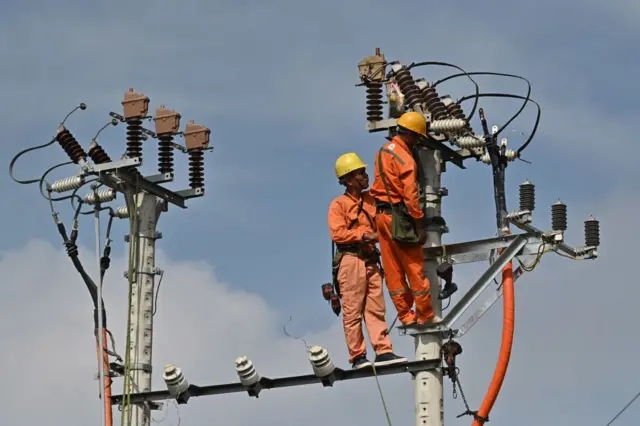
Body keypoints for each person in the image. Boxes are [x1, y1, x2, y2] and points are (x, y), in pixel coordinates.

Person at [327, 152, 407, 369]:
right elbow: (337, 234)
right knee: (353, 311)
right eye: (359, 173)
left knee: (375, 308)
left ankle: (383, 351)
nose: (365, 176)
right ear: (348, 179)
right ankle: (358, 357)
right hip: (351, 260)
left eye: (364, 172)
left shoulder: (371, 199)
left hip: (371, 261)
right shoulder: (339, 205)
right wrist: (364, 234)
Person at [369, 111, 436, 327]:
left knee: (393, 270)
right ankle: (425, 315)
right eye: (417, 138)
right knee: (414, 267)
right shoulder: (406, 159)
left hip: (380, 217)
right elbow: (410, 196)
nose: (417, 142)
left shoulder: (382, 152)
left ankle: (406, 316)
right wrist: (419, 225)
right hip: (400, 218)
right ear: (410, 134)